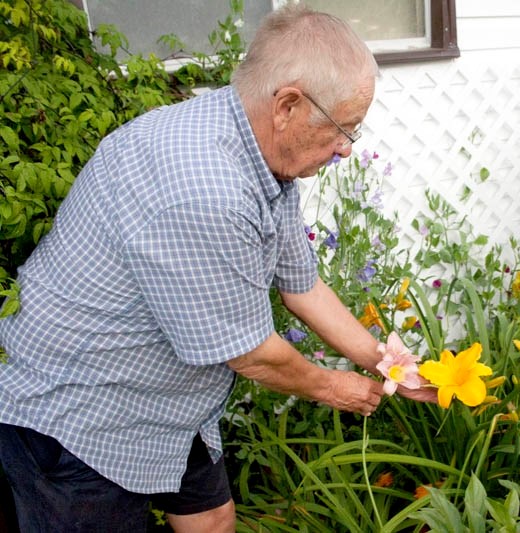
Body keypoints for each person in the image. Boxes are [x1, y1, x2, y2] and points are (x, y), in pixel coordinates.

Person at [0, 4, 434, 532]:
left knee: (211, 520)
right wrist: (333, 387)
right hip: (83, 415)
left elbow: (302, 285)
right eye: (343, 129)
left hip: (170, 406)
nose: (345, 149)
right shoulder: (206, 188)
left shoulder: (264, 157)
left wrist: (385, 364)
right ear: (288, 105)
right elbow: (249, 353)